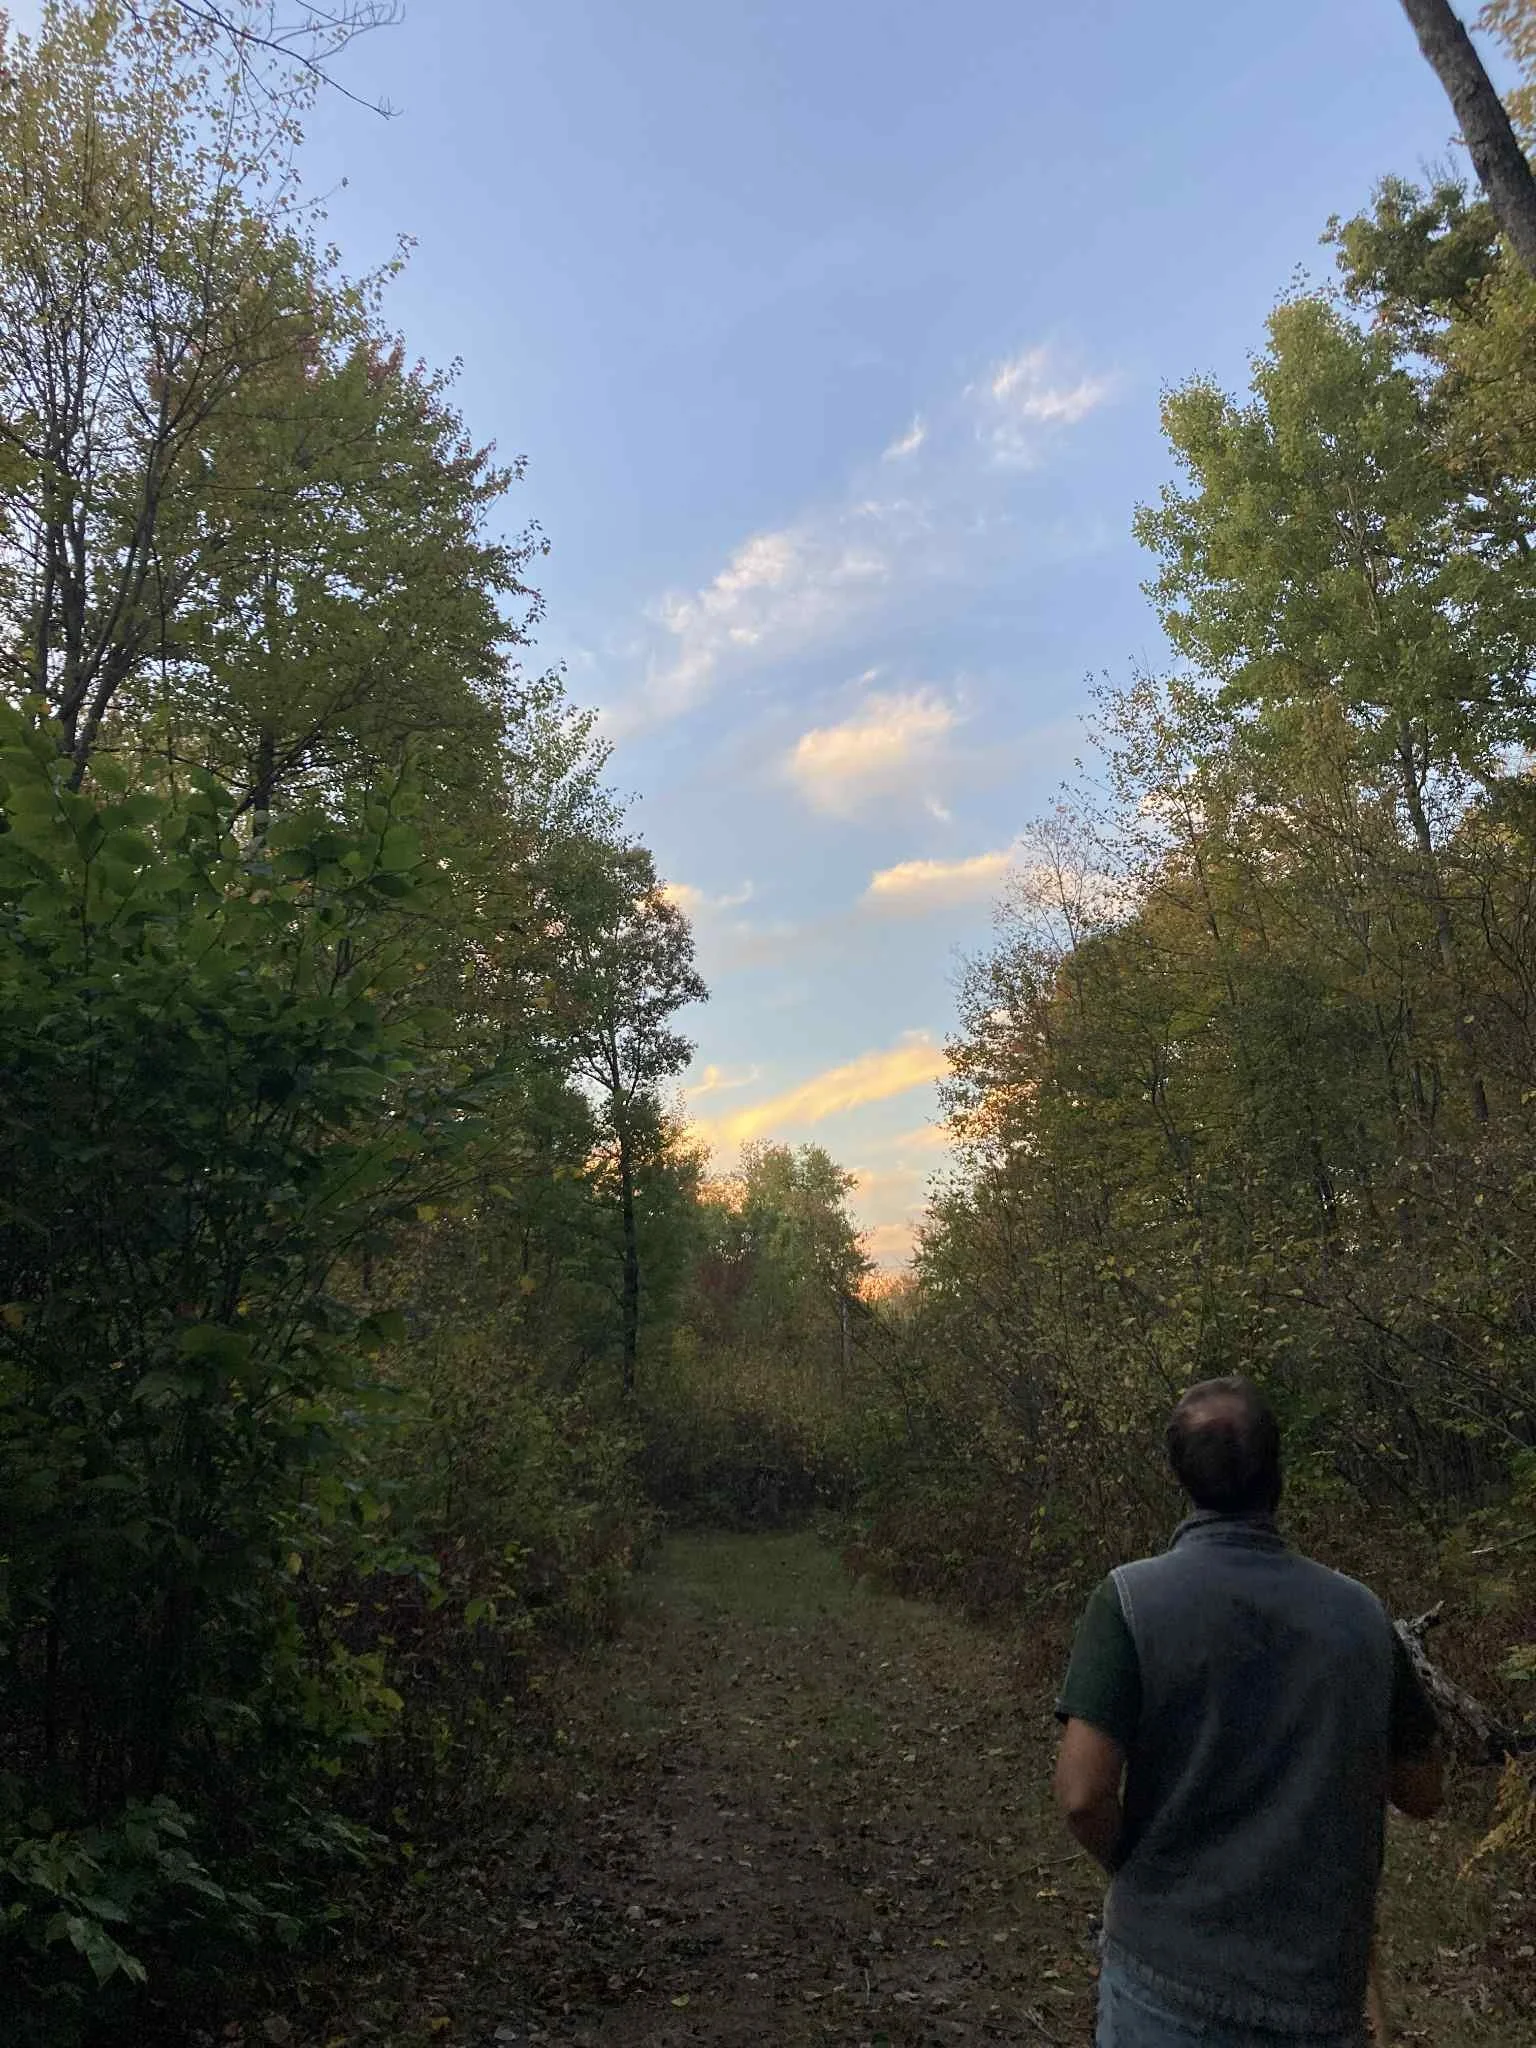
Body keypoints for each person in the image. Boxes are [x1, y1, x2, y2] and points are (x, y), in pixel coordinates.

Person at [1053, 1377, 1444, 2048]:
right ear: (1277, 1476)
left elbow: (1083, 1796)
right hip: (1319, 1989)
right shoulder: (1360, 1615)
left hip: (1166, 1983)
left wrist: (1147, 1876)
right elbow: (1424, 1791)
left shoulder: (1129, 1602)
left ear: (1181, 1477)